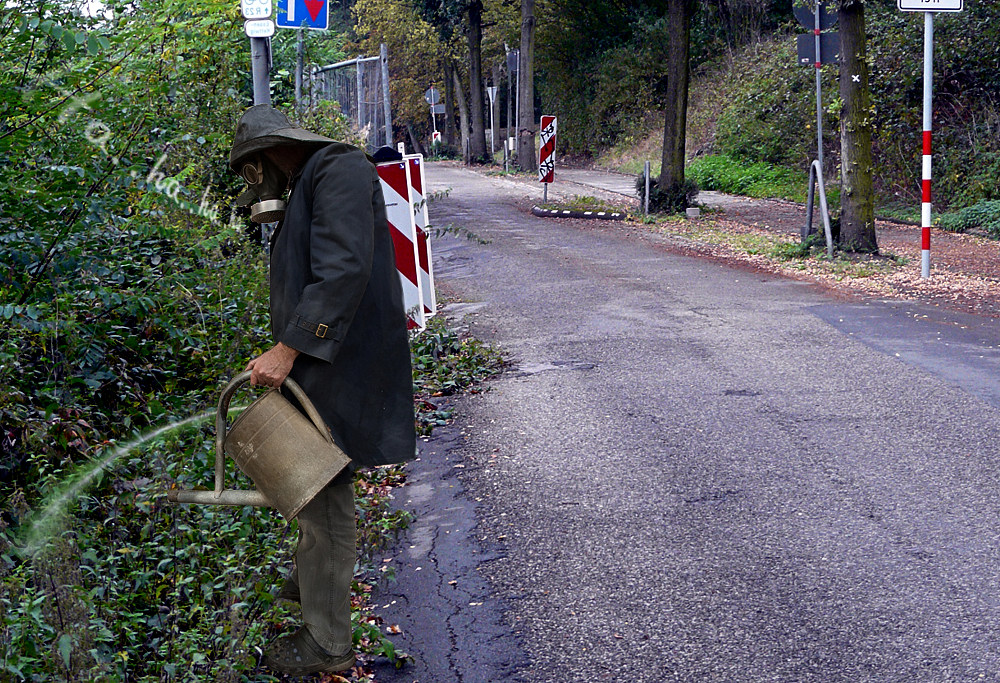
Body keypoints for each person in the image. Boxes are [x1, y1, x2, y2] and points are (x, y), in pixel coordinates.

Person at [228, 105, 415, 676]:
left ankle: (327, 644)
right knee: (311, 492)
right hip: (323, 363)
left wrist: (287, 350)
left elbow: (341, 269)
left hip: (339, 365)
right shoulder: (313, 179)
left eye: (253, 168)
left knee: (326, 500)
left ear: (269, 153)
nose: (255, 181)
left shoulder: (336, 166)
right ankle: (312, 583)